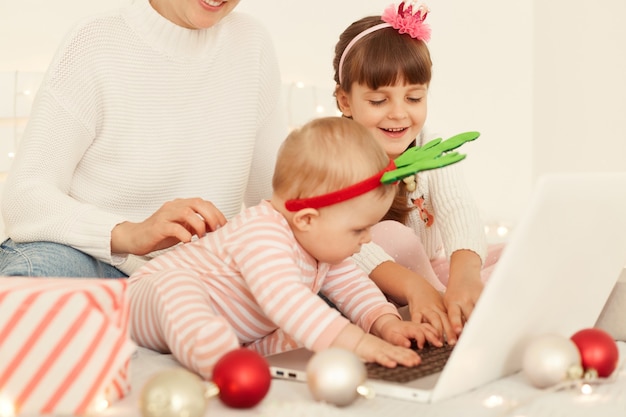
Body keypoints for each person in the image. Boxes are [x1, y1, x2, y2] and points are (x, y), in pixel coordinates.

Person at [128, 117, 448, 378]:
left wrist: (386, 324)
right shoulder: (262, 232)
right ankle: (210, 351)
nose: (367, 239)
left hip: (234, 329)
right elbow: (285, 299)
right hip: (146, 301)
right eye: (359, 229)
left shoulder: (321, 247)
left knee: (301, 336)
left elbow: (354, 287)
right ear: (307, 219)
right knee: (178, 286)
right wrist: (360, 344)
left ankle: (240, 352)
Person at [0, 0, 286, 278]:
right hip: (92, 261)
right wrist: (130, 233)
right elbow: (24, 197)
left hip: (198, 280)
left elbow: (278, 201)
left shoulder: (251, 41)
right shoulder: (95, 39)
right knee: (40, 278)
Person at [333, 2, 503, 337]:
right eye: (379, 101)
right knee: (390, 235)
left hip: (426, 272)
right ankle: (443, 307)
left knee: (512, 254)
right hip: (371, 288)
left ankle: (454, 302)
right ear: (345, 101)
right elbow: (346, 246)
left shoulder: (429, 144)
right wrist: (415, 286)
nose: (399, 115)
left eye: (413, 99)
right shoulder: (331, 154)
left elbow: (458, 207)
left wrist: (465, 276)